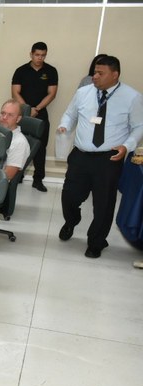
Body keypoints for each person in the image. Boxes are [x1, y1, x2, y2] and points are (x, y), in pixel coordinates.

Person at [58, 55, 143, 259]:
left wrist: (127, 146)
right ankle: (71, 221)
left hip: (109, 158)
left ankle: (96, 241)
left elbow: (139, 126)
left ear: (115, 75)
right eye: (94, 72)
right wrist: (65, 125)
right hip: (80, 155)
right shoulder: (83, 92)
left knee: (103, 204)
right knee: (69, 196)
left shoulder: (132, 97)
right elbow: (70, 114)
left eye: (100, 73)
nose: (94, 76)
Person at [12, 42, 59, 192]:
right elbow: (15, 92)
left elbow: (52, 93)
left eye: (43, 55)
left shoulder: (51, 71)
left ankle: (38, 179)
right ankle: (17, 176)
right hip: (22, 114)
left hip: (41, 113)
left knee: (40, 146)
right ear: (31, 54)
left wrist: (37, 108)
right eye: (37, 55)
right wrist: (27, 109)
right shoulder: (21, 70)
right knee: (20, 145)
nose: (40, 58)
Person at [0, 99, 31, 181]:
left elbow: (7, 175)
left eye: (10, 115)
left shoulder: (19, 142)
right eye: (3, 113)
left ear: (18, 119)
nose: (4, 117)